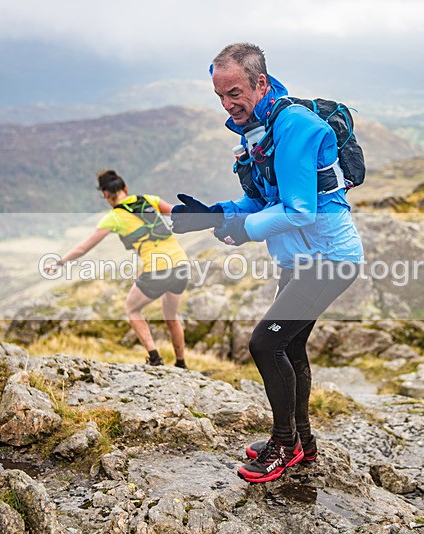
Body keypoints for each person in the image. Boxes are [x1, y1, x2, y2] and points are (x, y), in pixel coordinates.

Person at [171, 43, 364, 483]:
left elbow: (299, 210)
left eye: (234, 92)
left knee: (265, 343)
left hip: (330, 259)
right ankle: (303, 443)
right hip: (299, 260)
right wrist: (214, 214)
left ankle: (283, 445)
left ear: (260, 83)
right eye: (220, 95)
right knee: (289, 345)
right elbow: (262, 199)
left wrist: (244, 230)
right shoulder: (260, 128)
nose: (227, 104)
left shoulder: (294, 126)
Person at [44, 169, 190, 369]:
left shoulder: (114, 217)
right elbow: (178, 212)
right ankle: (181, 363)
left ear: (106, 195)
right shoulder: (148, 199)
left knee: (132, 309)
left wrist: (59, 262)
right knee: (171, 316)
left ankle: (155, 358)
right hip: (181, 264)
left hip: (158, 269)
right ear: (125, 188)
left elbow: (83, 247)